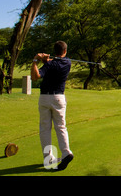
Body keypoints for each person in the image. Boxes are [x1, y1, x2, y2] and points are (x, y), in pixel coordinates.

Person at [31, 41, 74, 171]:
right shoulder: (68, 62)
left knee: (45, 129)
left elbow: (35, 76)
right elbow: (54, 65)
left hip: (45, 98)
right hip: (59, 98)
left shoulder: (50, 64)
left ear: (54, 50)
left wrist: (35, 60)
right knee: (61, 127)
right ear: (65, 51)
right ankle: (66, 153)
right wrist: (46, 61)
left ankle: (49, 158)